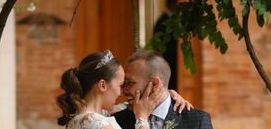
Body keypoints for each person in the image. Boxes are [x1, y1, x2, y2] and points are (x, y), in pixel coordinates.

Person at [56, 50, 191, 129]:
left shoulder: (85, 115)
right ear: (102, 85)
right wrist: (141, 118)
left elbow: (129, 105)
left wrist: (167, 93)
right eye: (121, 85)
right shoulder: (96, 123)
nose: (122, 92)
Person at [114, 50, 213, 129]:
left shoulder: (197, 121)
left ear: (154, 84)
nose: (124, 91)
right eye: (124, 83)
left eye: (130, 83)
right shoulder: (117, 120)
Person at [152, 0, 178, 90]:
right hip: (167, 59)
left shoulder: (173, 20)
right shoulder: (162, 21)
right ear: (171, 4)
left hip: (173, 60)